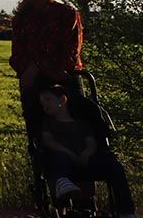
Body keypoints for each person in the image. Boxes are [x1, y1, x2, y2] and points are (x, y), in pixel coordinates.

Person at [38, 84, 136, 217]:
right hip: (63, 160)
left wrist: (86, 153)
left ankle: (126, 211)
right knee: (58, 158)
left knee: (114, 166)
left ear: (62, 100)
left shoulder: (81, 123)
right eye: (42, 104)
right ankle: (62, 183)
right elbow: (48, 141)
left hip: (85, 159)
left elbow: (91, 142)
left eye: (48, 100)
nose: (45, 106)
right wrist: (67, 152)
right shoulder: (48, 122)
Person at [9, 0, 83, 123]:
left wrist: (38, 66)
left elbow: (71, 51)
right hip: (33, 85)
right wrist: (27, 71)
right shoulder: (21, 19)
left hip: (63, 83)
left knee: (73, 132)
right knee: (39, 135)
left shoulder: (66, 14)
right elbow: (16, 54)